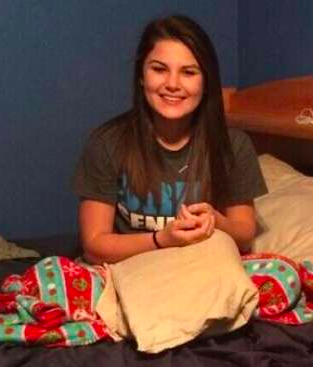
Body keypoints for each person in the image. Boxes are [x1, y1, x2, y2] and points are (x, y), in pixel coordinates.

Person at [73, 15, 267, 264]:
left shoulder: (233, 145)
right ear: (141, 75)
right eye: (159, 69)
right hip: (130, 268)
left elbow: (244, 235)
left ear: (206, 82)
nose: (173, 84)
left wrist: (216, 221)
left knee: (281, 272)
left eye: (188, 72)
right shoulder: (108, 142)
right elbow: (94, 246)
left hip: (202, 267)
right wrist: (161, 240)